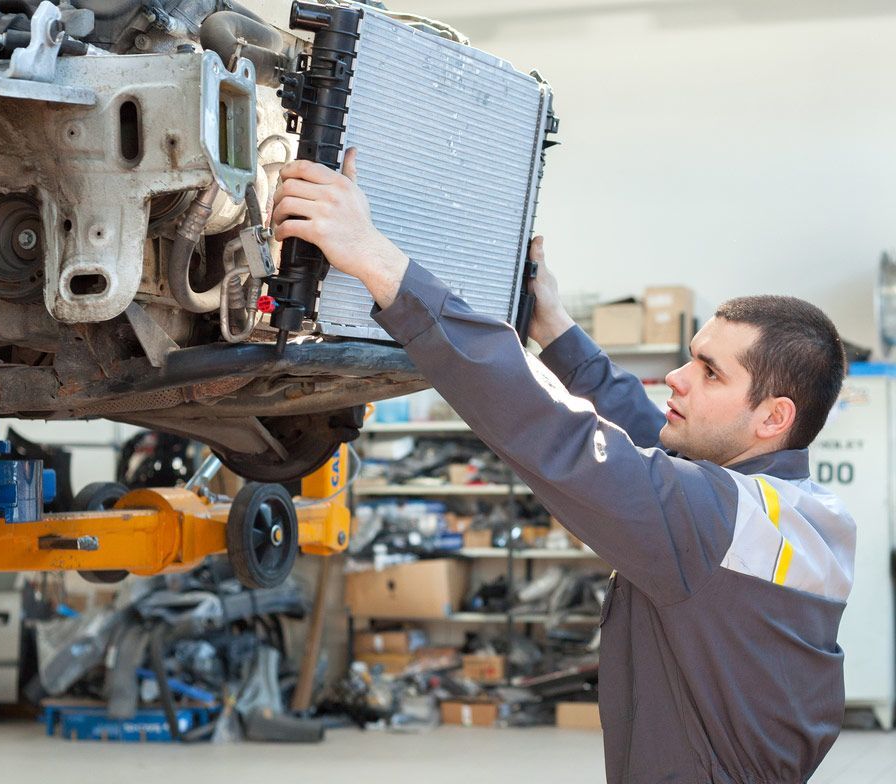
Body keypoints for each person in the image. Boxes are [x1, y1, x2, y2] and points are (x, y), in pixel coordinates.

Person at [270, 150, 856, 783]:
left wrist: (376, 260)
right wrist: (554, 327)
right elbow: (650, 439)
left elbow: (555, 434)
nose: (677, 378)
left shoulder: (717, 520)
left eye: (710, 372)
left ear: (773, 417)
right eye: (691, 357)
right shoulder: (796, 512)